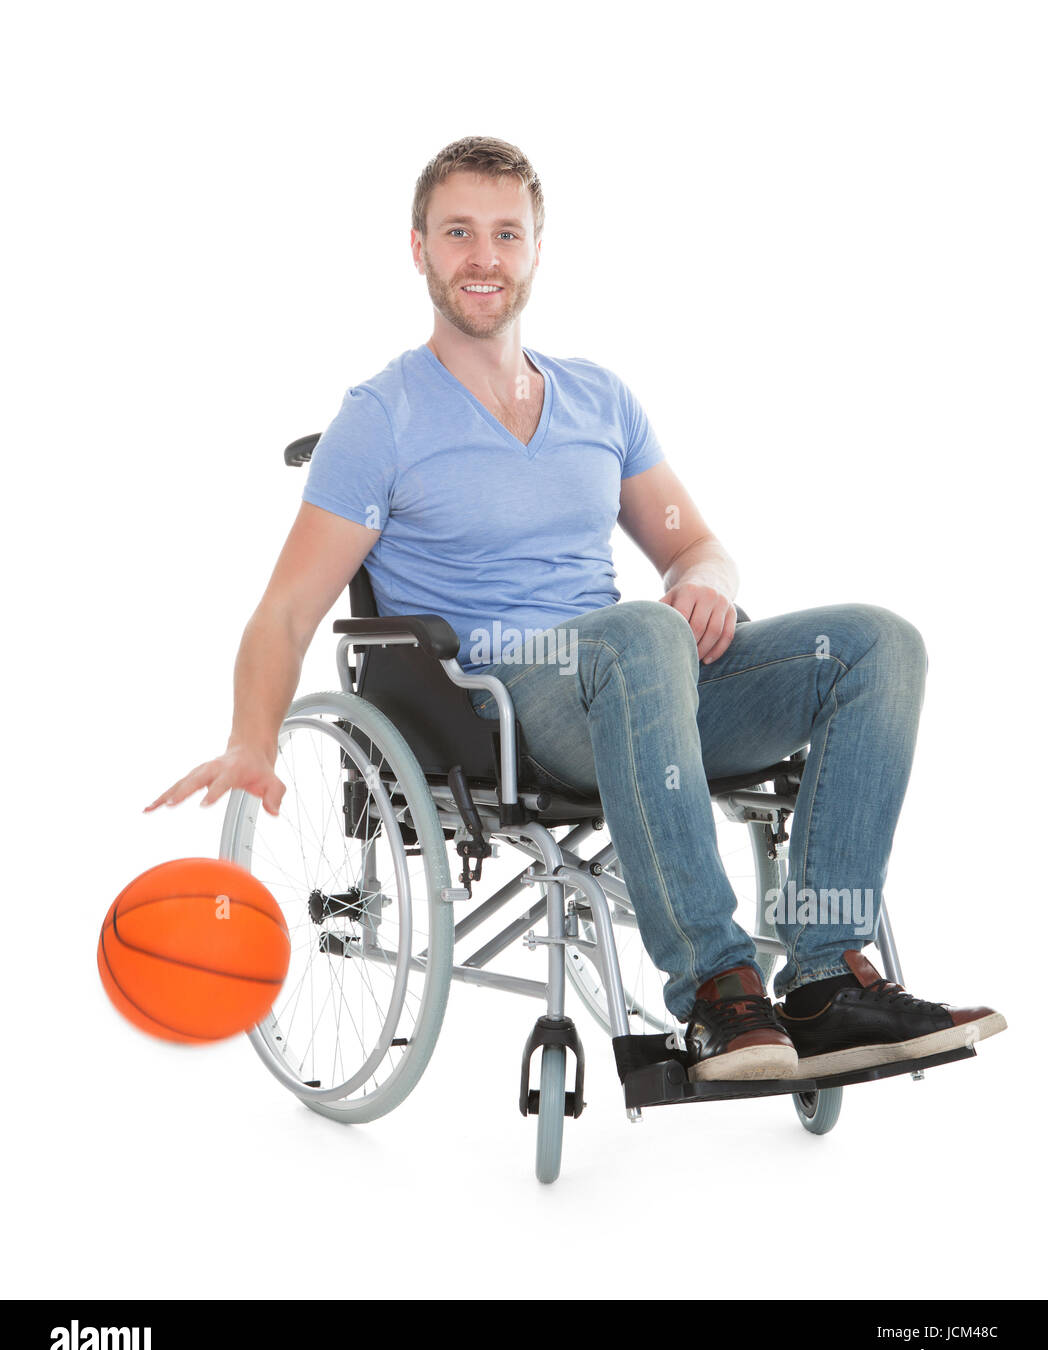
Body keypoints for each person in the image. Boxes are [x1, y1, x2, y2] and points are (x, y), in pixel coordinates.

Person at [145, 135, 1005, 1084]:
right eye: (458, 232)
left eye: (506, 234)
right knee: (638, 633)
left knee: (877, 644)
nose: (484, 257)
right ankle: (720, 989)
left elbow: (694, 543)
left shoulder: (601, 400)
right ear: (419, 250)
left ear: (535, 251)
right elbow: (285, 612)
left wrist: (706, 582)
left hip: (646, 684)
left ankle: (822, 980)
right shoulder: (381, 418)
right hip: (499, 706)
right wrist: (252, 739)